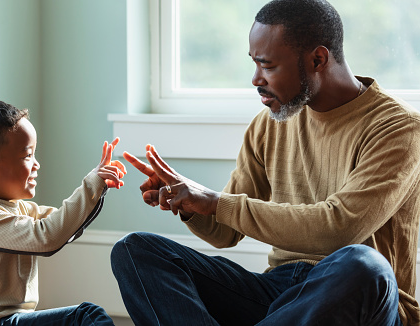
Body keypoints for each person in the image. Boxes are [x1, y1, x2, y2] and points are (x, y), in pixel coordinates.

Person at [110, 0, 420, 325]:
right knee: (135, 251)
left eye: (268, 65)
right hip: (279, 295)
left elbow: (341, 228)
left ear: (318, 59)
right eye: (255, 64)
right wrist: (189, 203)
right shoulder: (268, 124)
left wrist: (216, 201)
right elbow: (224, 233)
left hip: (359, 299)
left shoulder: (398, 128)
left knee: (364, 265)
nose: (256, 78)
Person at [0, 99, 126, 326]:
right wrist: (91, 184)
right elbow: (47, 236)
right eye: (28, 156)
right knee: (85, 317)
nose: (36, 164)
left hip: (13, 320)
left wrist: (100, 185)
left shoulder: (17, 207)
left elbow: (61, 224)